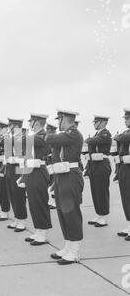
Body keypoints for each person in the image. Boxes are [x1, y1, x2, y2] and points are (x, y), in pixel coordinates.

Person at [46, 110, 84, 265]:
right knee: (62, 211)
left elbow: (50, 138)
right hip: (61, 176)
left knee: (71, 212)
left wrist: (49, 137)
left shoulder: (73, 133)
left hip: (71, 176)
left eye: (59, 120)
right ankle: (68, 246)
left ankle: (74, 251)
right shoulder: (65, 136)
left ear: (66, 119)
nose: (58, 123)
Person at [22, 114, 52, 246]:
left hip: (39, 172)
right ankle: (38, 230)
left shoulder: (43, 135)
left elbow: (27, 140)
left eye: (31, 122)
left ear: (37, 123)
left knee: (40, 202)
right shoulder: (34, 136)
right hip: (31, 171)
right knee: (33, 203)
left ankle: (43, 233)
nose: (29, 125)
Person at [86, 115, 112, 228]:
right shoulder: (98, 134)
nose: (94, 124)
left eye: (96, 122)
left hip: (102, 165)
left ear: (102, 123)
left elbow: (92, 141)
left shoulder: (106, 133)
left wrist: (88, 139)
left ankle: (104, 217)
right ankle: (99, 214)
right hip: (94, 165)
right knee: (95, 191)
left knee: (101, 191)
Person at [6, 119, 28, 232]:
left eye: (11, 125)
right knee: (12, 194)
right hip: (10, 168)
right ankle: (17, 218)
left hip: (19, 168)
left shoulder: (23, 139)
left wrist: (15, 159)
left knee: (19, 195)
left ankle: (22, 220)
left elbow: (27, 156)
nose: (9, 127)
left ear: (17, 126)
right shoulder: (11, 138)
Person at [114, 109, 130, 242]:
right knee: (126, 198)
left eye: (127, 119)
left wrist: (117, 137)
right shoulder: (126, 132)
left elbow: (122, 137)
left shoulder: (126, 134)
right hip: (124, 168)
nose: (125, 121)